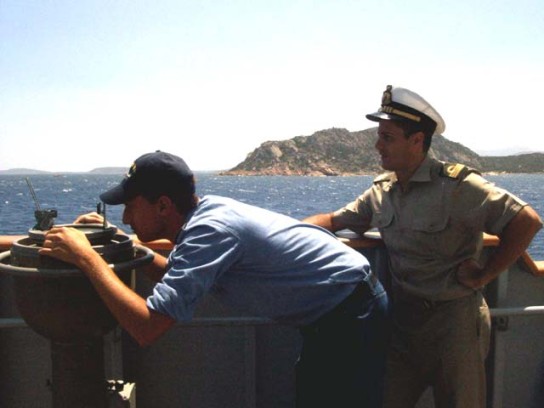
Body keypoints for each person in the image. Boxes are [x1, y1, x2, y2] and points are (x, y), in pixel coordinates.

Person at [38, 150, 390, 408]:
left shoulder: (210, 231)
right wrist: (122, 245)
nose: (126, 217)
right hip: (336, 311)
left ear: (163, 206)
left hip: (351, 314)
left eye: (131, 206)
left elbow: (147, 327)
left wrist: (86, 258)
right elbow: (179, 279)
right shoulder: (203, 218)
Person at [303, 85, 543, 408]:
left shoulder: (457, 187)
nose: (377, 145)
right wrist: (284, 234)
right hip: (404, 326)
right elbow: (333, 220)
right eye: (380, 136)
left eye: (387, 137)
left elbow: (526, 220)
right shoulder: (381, 192)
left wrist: (485, 274)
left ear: (417, 141)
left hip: (455, 327)